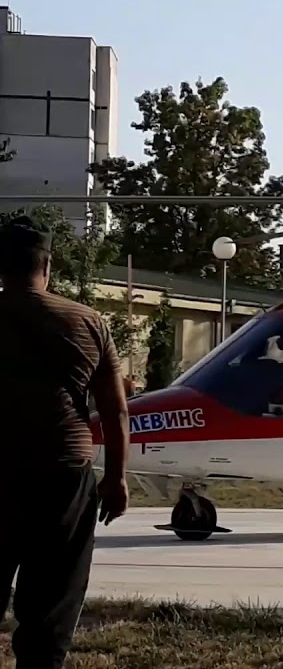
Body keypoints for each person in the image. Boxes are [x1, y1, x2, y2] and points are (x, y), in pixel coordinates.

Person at [0, 215, 130, 669]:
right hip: (65, 476)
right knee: (51, 601)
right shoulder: (88, 322)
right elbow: (114, 409)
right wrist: (115, 478)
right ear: (48, 265)